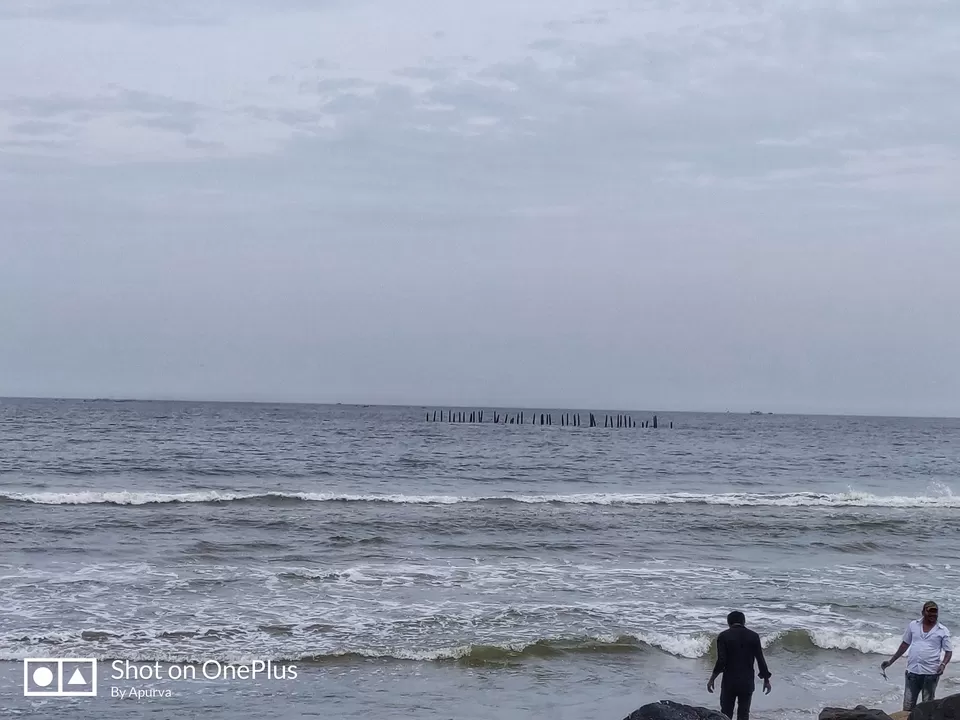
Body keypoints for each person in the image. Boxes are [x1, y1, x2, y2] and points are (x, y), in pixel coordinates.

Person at [881, 601, 953, 711]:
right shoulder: (913, 625)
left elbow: (948, 652)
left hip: (931, 674)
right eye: (930, 612)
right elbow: (905, 644)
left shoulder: (942, 631)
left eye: (935, 613)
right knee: (908, 707)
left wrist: (943, 665)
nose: (933, 615)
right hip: (912, 673)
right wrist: (891, 661)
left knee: (928, 707)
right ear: (923, 612)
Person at [707, 611, 772, 720]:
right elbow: (760, 659)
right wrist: (766, 679)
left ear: (729, 622)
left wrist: (712, 679)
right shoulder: (754, 636)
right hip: (747, 681)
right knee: (744, 714)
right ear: (744, 622)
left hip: (729, 682)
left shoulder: (724, 636)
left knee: (726, 714)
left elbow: (721, 661)